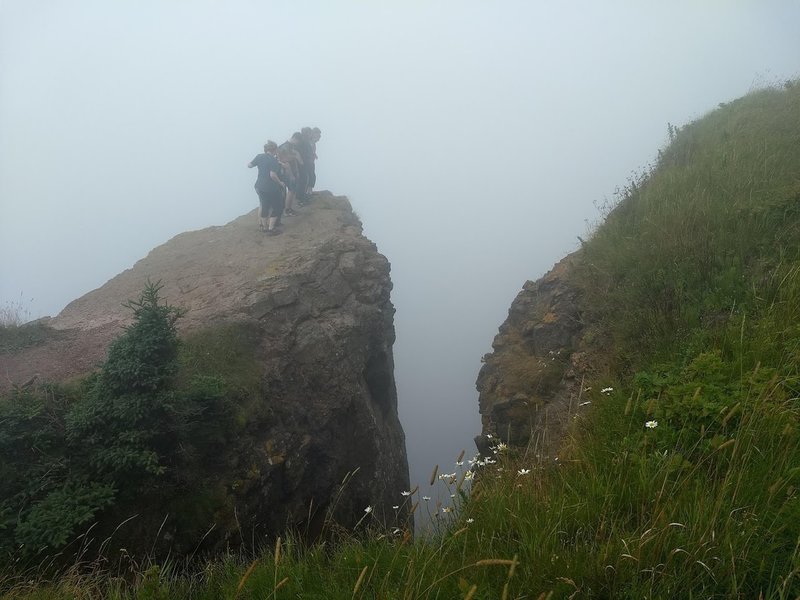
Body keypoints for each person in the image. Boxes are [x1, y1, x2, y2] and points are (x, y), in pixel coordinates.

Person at [248, 141, 286, 235]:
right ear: (275, 150)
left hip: (259, 186)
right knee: (278, 207)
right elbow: (272, 175)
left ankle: (264, 227)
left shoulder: (259, 156)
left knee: (264, 206)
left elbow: (249, 165)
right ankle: (271, 228)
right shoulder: (273, 160)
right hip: (271, 187)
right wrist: (280, 183)